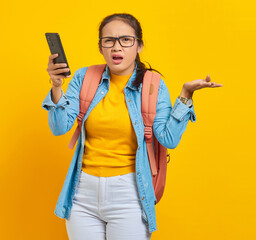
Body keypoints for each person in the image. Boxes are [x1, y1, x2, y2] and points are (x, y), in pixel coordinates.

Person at [42, 13, 222, 240]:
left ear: (139, 45)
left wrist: (186, 96)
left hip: (129, 194)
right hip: (82, 194)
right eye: (109, 40)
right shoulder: (84, 77)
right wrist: (56, 86)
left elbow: (168, 139)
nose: (117, 47)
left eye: (125, 40)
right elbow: (59, 127)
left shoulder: (152, 85)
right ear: (100, 47)